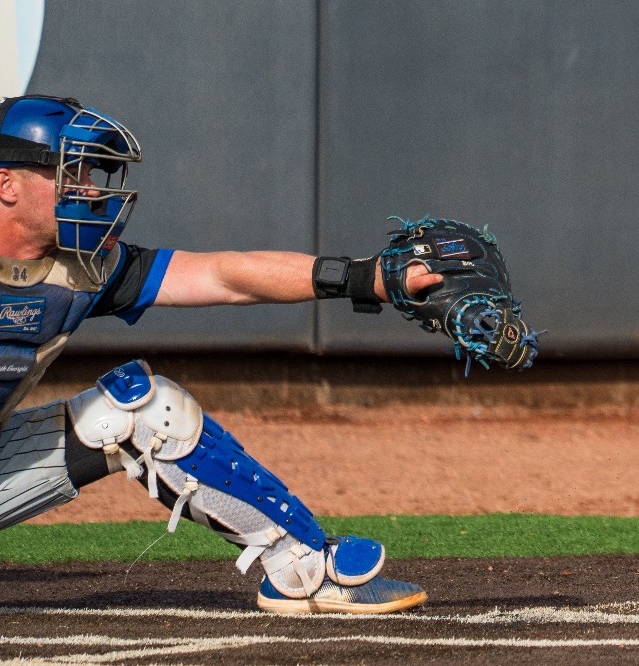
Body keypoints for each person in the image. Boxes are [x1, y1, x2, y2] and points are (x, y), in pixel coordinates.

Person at [0, 94, 436, 614]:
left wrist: (368, 278)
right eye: (72, 173)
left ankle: (304, 570)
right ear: (7, 184)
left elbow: (222, 274)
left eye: (91, 172)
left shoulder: (82, 267)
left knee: (144, 409)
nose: (90, 189)